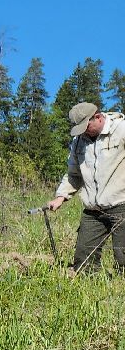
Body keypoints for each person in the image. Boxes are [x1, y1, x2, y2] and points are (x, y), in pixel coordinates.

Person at [45, 102, 125, 272]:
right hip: (93, 210)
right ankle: (93, 283)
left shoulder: (121, 129)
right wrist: (60, 197)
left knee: (123, 258)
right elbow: (74, 174)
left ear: (98, 117)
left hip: (121, 205)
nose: (83, 132)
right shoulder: (78, 141)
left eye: (86, 126)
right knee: (83, 262)